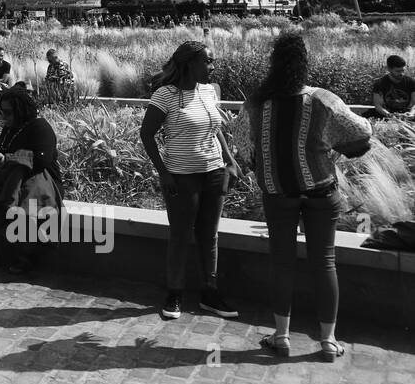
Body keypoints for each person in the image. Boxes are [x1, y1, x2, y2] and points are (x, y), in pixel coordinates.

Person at [243, 33, 372, 362]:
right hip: (320, 191)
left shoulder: (258, 104)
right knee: (324, 262)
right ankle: (328, 341)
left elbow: (246, 150)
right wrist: (333, 144)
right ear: (303, 63)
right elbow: (362, 133)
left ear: (274, 62)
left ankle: (281, 336)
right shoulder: (322, 100)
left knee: (281, 263)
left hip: (278, 193)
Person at [139, 40, 239, 321]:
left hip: (214, 171)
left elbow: (215, 128)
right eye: (208, 61)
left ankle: (210, 291)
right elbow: (146, 134)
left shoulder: (209, 91)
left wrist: (229, 160)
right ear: (188, 64)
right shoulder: (165, 95)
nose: (213, 66)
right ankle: (175, 293)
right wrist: (163, 171)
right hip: (181, 177)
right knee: (181, 235)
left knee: (209, 234)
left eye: (213, 61)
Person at [0, 85, 60, 273]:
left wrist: (6, 159)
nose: (3, 117)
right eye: (1, 112)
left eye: (8, 112)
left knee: (25, 207)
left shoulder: (40, 126)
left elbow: (42, 160)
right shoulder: (10, 128)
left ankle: (25, 256)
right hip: (11, 178)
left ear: (21, 110)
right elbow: (5, 152)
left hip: (38, 179)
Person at [369, 55, 415, 120]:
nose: (401, 73)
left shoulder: (411, 82)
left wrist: (411, 113)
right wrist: (389, 115)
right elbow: (378, 106)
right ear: (389, 69)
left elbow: (414, 104)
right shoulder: (380, 83)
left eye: (403, 70)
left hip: (407, 114)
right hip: (387, 114)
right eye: (398, 71)